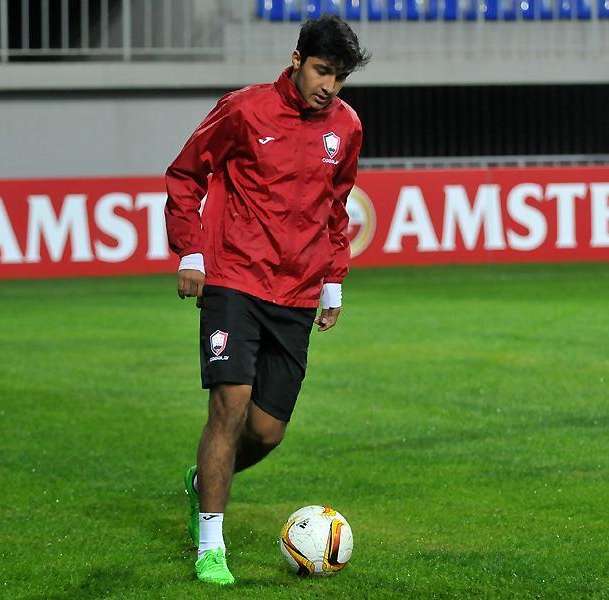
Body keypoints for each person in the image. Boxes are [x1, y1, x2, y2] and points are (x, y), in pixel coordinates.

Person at [164, 14, 369, 586]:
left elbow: (336, 208)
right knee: (228, 407)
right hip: (234, 278)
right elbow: (186, 175)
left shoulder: (346, 126)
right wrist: (190, 252)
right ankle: (211, 545)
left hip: (298, 291)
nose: (329, 86)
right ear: (297, 59)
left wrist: (333, 281)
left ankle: (202, 481)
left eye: (340, 77)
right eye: (322, 71)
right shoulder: (244, 109)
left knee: (266, 432)